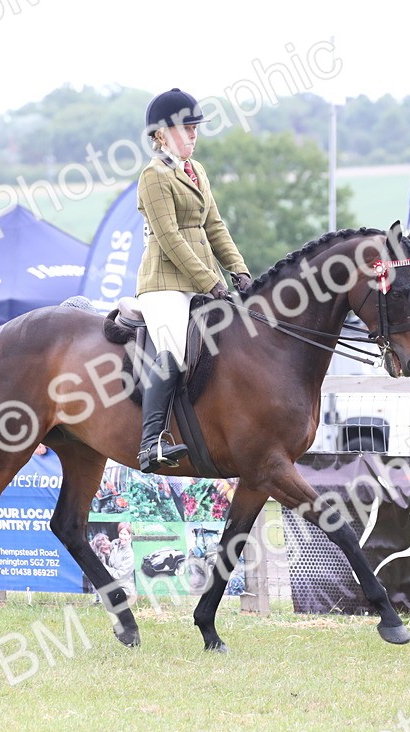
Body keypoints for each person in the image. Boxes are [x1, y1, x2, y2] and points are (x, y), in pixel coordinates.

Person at [135, 88, 253, 472]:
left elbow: (215, 226)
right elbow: (169, 238)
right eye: (186, 128)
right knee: (175, 351)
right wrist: (209, 283)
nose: (193, 134)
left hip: (203, 280)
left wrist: (240, 271)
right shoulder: (153, 177)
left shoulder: (195, 170)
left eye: (195, 128)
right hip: (164, 283)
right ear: (162, 134)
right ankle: (150, 443)